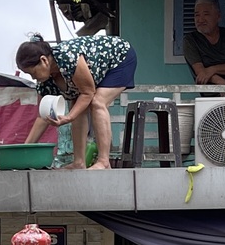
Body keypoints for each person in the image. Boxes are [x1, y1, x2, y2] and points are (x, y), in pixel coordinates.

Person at [16, 34, 137, 171]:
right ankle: (79, 162)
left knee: (97, 102)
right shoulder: (46, 82)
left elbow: (88, 92)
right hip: (96, 70)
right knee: (78, 108)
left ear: (44, 60)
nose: (33, 78)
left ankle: (104, 161)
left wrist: (69, 117)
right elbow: (42, 117)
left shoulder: (68, 57)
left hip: (119, 57)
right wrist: (23, 151)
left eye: (33, 73)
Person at [185, 0, 225, 86]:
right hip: (213, 90)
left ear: (218, 16)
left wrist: (212, 69)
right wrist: (221, 83)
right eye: (197, 15)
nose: (200, 20)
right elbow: (201, 72)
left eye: (206, 14)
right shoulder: (191, 40)